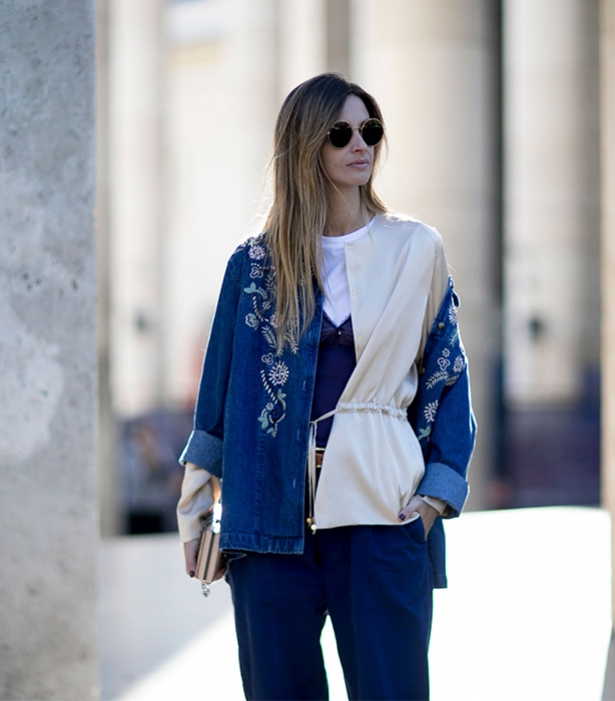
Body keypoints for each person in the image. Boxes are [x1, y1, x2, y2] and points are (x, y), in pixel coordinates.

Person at [176, 72, 476, 701]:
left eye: (370, 130)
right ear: (306, 143)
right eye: (341, 133)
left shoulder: (416, 249)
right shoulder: (254, 265)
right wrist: (195, 512)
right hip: (266, 521)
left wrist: (432, 502)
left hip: (381, 513)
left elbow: (448, 378)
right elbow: (218, 400)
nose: (359, 144)